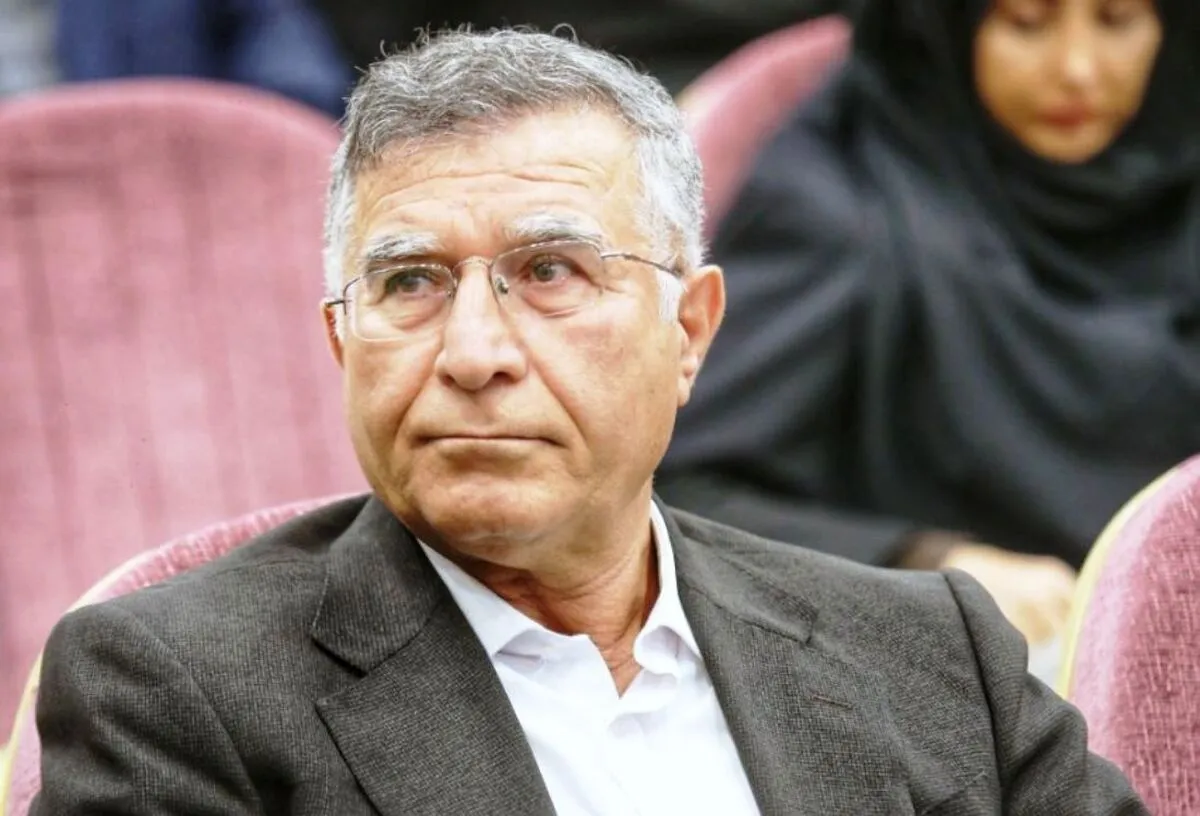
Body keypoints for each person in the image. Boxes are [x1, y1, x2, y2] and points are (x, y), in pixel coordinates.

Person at [32, 28, 1146, 815]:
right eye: (410, 282)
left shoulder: (932, 652)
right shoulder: (176, 691)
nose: (473, 352)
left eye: (550, 271)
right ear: (340, 342)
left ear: (690, 331)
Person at [657, 0, 1200, 647]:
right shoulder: (840, 209)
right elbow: (680, 494)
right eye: (1027, 23)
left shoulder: (1181, 184)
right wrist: (925, 563)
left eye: (1117, 21)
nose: (1078, 69)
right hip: (930, 654)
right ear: (944, 27)